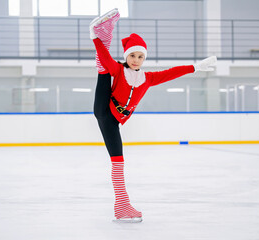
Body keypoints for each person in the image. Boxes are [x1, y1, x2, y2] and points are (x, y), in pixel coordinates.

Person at [90, 9, 217, 223]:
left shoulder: (148, 78)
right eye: (132, 55)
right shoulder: (120, 71)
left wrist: (196, 67)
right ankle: (99, 32)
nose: (136, 60)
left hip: (115, 120)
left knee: (118, 162)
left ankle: (121, 205)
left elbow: (172, 72)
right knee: (104, 69)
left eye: (140, 56)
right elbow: (107, 59)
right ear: (127, 56)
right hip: (105, 111)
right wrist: (95, 40)